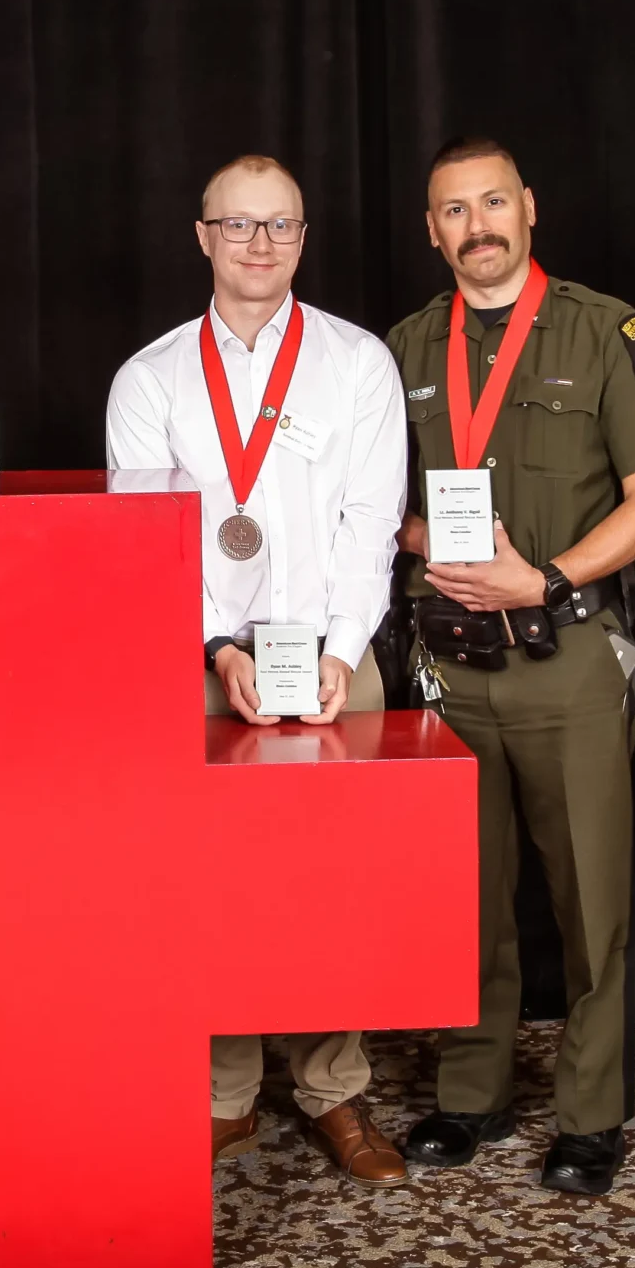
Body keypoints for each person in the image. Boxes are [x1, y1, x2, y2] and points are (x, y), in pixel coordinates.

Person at [386, 136, 635, 1195]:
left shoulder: (608, 332)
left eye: (493, 202)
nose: (477, 225)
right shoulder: (401, 349)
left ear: (529, 208)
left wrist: (546, 580)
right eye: (453, 210)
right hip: (447, 668)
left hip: (565, 659)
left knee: (589, 900)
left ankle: (591, 1112)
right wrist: (433, 544)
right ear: (432, 230)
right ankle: (470, 1095)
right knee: (463, 899)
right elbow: (373, 509)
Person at [103, 154, 410, 1188]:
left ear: (303, 237)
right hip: (202, 666)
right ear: (201, 236)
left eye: (279, 226)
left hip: (332, 657)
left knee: (332, 884)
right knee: (202, 884)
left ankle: (334, 1088)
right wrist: (217, 646)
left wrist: (336, 652)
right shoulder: (148, 378)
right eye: (238, 226)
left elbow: (370, 526)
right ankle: (220, 1094)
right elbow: (144, 540)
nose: (259, 245)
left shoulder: (355, 362)